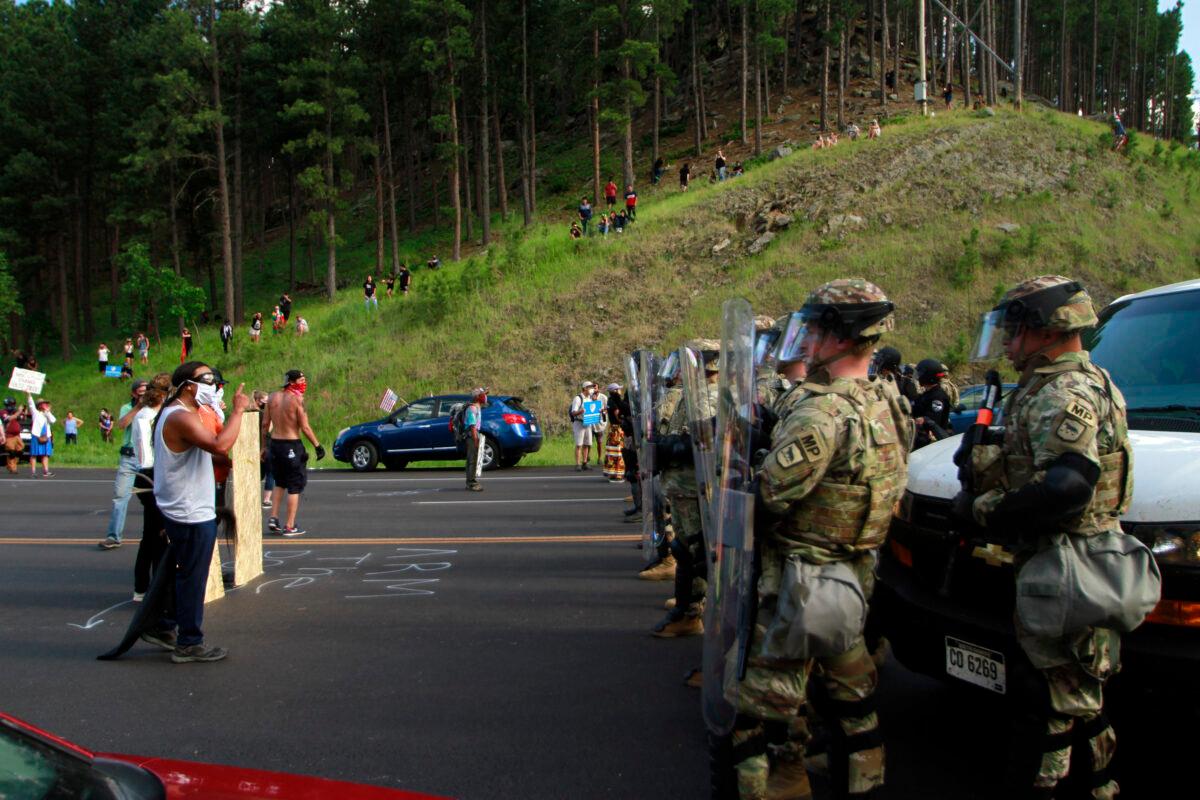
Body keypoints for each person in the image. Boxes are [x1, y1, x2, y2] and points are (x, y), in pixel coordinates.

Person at [715, 280, 911, 800]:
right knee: (854, 705)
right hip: (853, 580)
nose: (806, 340)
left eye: (817, 329)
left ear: (842, 337)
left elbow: (771, 495)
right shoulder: (888, 401)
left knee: (751, 715)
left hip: (799, 585)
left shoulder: (820, 411)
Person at [955, 276, 1133, 798]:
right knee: (1077, 698)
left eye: (1013, 332)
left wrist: (984, 509)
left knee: (1051, 703)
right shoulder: (1067, 382)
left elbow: (1067, 486)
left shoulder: (1063, 392)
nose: (1007, 345)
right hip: (1070, 564)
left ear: (1045, 331)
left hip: (1070, 565)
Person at [142, 360, 250, 663]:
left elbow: (209, 455)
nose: (214, 385)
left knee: (184, 571)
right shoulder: (179, 417)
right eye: (208, 380)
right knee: (193, 577)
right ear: (189, 385)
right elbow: (218, 444)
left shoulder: (183, 413)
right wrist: (239, 411)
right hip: (188, 510)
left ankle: (163, 626)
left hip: (187, 506)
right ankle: (189, 642)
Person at [651, 339, 720, 638]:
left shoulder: (710, 399)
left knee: (697, 554)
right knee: (685, 550)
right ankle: (688, 609)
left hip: (695, 489)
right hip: (682, 487)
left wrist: (672, 448)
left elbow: (702, 445)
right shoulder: (696, 396)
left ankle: (696, 614)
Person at [262, 369, 324, 536]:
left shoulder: (272, 397)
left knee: (279, 482)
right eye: (301, 380)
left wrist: (263, 446)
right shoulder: (297, 399)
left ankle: (273, 518)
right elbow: (304, 427)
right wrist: (317, 445)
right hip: (291, 444)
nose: (304, 383)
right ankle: (290, 525)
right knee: (294, 486)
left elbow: (265, 424)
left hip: (275, 444)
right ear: (292, 382)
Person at [131, 373, 171, 601]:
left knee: (152, 535)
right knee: (156, 535)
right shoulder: (146, 417)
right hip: (150, 475)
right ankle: (149, 587)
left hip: (153, 473)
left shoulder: (155, 415)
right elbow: (147, 456)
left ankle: (144, 586)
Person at [100, 380, 149, 549]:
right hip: (129, 457)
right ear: (134, 394)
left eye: (147, 392)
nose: (144, 395)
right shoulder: (127, 408)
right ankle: (114, 536)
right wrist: (138, 407)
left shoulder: (156, 408)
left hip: (148, 457)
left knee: (154, 499)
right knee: (120, 496)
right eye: (141, 392)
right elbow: (122, 424)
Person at [911, 358, 953, 449]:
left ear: (928, 376)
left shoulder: (938, 397)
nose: (918, 377)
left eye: (920, 374)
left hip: (932, 444)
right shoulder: (927, 394)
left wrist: (920, 420)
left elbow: (933, 422)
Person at [462, 387, 487, 492]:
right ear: (477, 397)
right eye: (483, 395)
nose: (485, 397)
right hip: (471, 436)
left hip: (474, 435)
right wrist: (476, 439)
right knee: (472, 459)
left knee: (473, 459)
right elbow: (472, 426)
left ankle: (471, 481)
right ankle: (471, 483)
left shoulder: (478, 407)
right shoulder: (472, 409)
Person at [26, 393, 56, 478]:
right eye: (43, 404)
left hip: (46, 436)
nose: (45, 405)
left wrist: (47, 412)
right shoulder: (35, 413)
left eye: (45, 404)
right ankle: (33, 472)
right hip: (37, 435)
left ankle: (46, 471)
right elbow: (31, 404)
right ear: (39, 405)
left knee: (45, 454)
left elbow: (53, 420)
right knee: (34, 454)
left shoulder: (46, 414)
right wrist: (28, 395)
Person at [569, 381, 596, 470]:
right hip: (579, 423)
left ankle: (585, 462)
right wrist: (581, 411)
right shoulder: (578, 398)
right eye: (590, 387)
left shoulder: (590, 398)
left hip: (588, 423)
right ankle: (578, 464)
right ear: (585, 388)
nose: (592, 389)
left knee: (587, 444)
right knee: (579, 444)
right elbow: (573, 412)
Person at [603, 384, 626, 482]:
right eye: (618, 389)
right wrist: (623, 421)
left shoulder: (609, 400)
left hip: (612, 428)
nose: (620, 391)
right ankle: (618, 474)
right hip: (617, 429)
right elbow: (617, 413)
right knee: (619, 451)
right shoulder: (615, 401)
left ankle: (612, 473)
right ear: (615, 391)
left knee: (611, 451)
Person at [3, 398, 24, 473]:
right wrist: (18, 412)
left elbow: (22, 418)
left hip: (17, 435)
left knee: (20, 451)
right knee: (11, 452)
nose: (12, 406)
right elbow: (8, 419)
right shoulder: (3, 412)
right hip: (9, 435)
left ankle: (12, 466)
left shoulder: (15, 412)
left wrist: (23, 412)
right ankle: (12, 468)